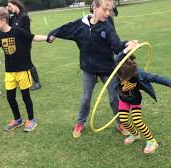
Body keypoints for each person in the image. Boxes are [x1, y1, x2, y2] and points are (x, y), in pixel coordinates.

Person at [47, 0, 138, 138]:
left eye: (110, 10)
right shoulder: (80, 25)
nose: (108, 13)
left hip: (107, 68)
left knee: (114, 98)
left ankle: (121, 123)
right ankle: (80, 123)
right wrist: (53, 34)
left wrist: (127, 44)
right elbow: (65, 28)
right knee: (86, 98)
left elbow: (116, 45)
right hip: (89, 69)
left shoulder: (107, 27)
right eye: (105, 9)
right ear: (94, 7)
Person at [115, 54, 171, 153]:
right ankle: (135, 134)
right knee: (123, 120)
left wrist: (170, 82)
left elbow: (155, 77)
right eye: (120, 77)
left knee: (137, 121)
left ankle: (152, 141)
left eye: (124, 77)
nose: (121, 79)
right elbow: (116, 59)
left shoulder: (139, 74)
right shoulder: (118, 69)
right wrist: (126, 49)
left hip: (134, 100)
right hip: (123, 99)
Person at [7, 0, 42, 90]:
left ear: (15, 5)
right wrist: (7, 13)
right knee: (21, 62)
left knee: (28, 62)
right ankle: (23, 80)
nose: (9, 8)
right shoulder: (14, 17)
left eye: (10, 6)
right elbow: (8, 26)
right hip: (17, 43)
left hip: (25, 44)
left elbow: (26, 33)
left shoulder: (24, 17)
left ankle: (37, 83)